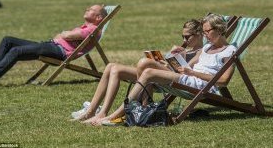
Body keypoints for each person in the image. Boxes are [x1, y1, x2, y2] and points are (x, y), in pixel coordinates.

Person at [94, 14, 237, 126]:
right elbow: (185, 68)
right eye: (204, 32)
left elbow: (223, 81)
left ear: (219, 29)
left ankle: (117, 115)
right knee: (146, 64)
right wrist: (170, 61)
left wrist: (193, 73)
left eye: (207, 31)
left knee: (148, 72)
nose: (205, 35)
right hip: (189, 79)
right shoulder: (206, 48)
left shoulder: (229, 51)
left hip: (203, 86)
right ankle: (139, 109)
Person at [72, 19, 203, 124]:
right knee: (112, 67)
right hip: (157, 75)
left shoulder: (201, 52)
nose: (184, 40)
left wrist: (178, 59)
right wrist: (166, 59)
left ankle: (142, 105)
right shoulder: (185, 49)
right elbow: (171, 67)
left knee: (145, 62)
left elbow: (185, 75)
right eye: (183, 37)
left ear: (199, 34)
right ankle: (94, 112)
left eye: (187, 37)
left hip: (176, 80)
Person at [0, 5, 107, 88]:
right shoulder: (85, 28)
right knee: (8, 40)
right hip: (51, 45)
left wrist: (65, 33)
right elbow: (63, 35)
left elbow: (66, 36)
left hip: (59, 51)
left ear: (98, 18)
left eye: (90, 9)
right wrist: (64, 34)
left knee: (16, 51)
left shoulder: (93, 30)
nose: (86, 9)